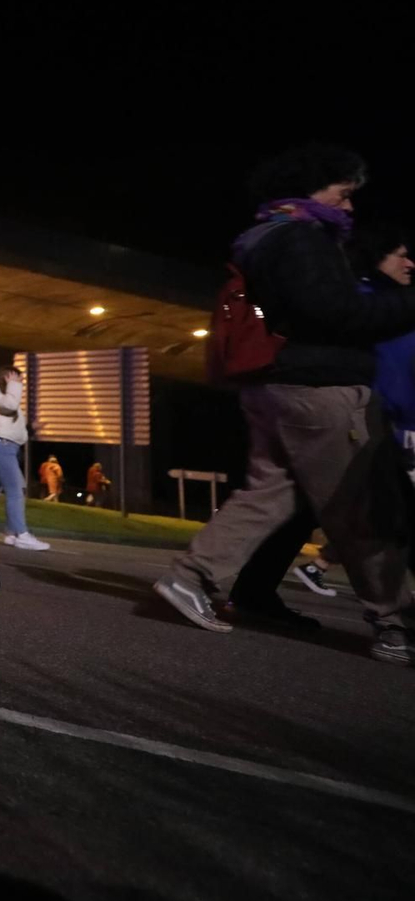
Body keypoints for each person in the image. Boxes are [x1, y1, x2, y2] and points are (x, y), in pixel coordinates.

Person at [155, 146, 415, 661]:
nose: (350, 206)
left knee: (268, 493)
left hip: (272, 386)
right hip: (320, 389)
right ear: (313, 186)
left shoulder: (264, 236)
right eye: (344, 192)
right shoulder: (302, 238)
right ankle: (394, 623)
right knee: (358, 506)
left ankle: (191, 578)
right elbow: (335, 313)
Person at [225, 223, 415, 623]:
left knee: (301, 507)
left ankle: (248, 590)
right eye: (400, 254)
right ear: (375, 257)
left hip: (358, 414)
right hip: (361, 419)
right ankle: (390, 618)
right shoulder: (370, 305)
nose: (410, 262)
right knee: (373, 515)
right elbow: (392, 372)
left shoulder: (375, 300)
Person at [0, 365, 48, 550]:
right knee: (16, 489)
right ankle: (20, 534)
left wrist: (31, 428)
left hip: (6, 447)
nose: (20, 383)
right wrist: (14, 387)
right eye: (17, 378)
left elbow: (10, 423)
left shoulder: (6, 395)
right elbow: (9, 406)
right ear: (6, 376)